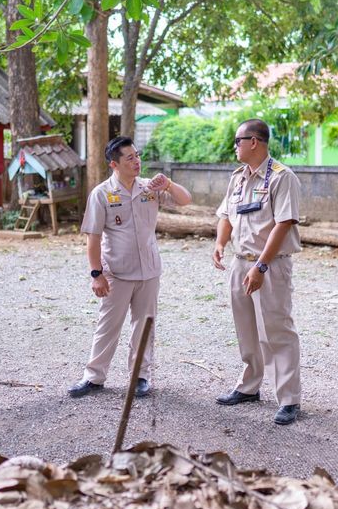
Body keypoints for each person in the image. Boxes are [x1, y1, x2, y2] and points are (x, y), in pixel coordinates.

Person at [68, 136, 192, 398]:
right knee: (108, 325)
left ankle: (140, 376)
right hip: (116, 272)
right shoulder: (101, 193)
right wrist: (96, 274)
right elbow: (93, 237)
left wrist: (168, 184)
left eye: (137, 156)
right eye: (130, 158)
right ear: (114, 164)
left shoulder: (150, 188)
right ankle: (94, 377)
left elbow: (185, 200)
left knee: (144, 325)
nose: (137, 161)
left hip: (149, 270)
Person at [212, 119, 303, 425]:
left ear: (255, 142)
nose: (234, 146)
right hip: (239, 262)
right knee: (246, 329)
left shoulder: (281, 177)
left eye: (238, 140)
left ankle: (289, 399)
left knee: (276, 330)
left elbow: (284, 223)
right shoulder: (238, 178)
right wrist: (220, 243)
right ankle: (249, 387)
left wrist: (261, 266)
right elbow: (227, 214)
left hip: (269, 265)